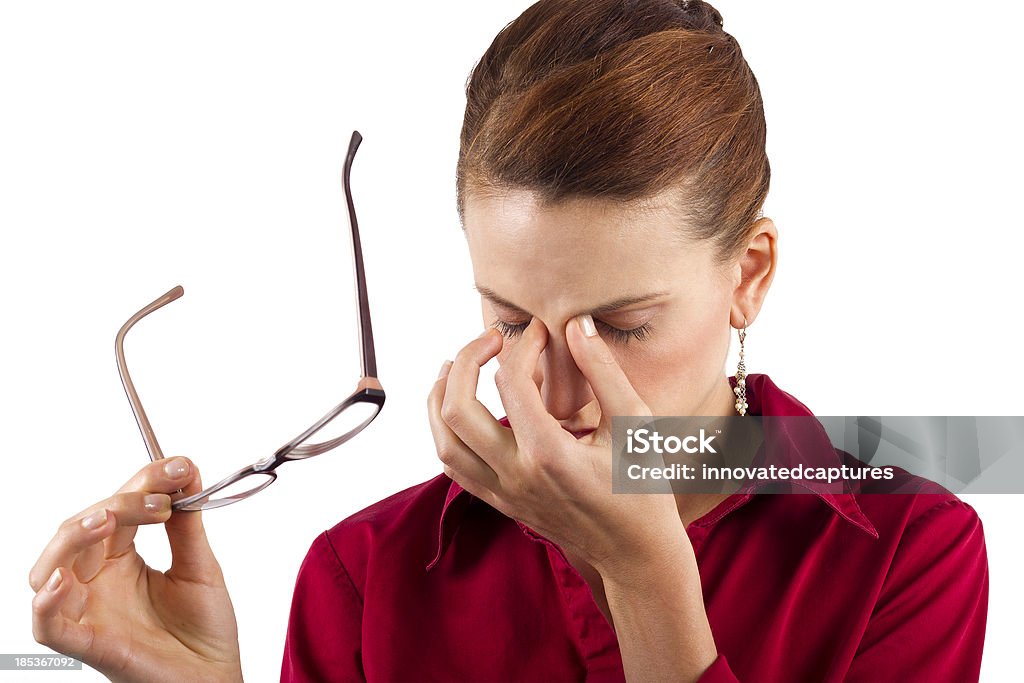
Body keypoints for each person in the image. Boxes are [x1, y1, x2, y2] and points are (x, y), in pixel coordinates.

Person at [29, 1, 989, 681]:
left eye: (621, 326)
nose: (558, 393)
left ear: (748, 275)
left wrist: (649, 585)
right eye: (508, 318)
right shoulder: (366, 576)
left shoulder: (913, 551)